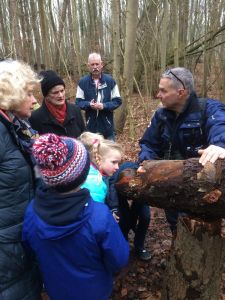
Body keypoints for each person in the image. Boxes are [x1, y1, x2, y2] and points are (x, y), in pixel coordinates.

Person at [23, 133, 129, 300]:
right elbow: (119, 259)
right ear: (83, 172)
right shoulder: (99, 216)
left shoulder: (32, 211)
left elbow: (29, 248)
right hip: (94, 291)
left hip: (56, 289)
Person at [138, 67, 225, 232]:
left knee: (202, 231)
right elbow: (148, 143)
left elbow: (220, 126)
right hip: (170, 186)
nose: (158, 95)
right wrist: (146, 162)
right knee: (176, 226)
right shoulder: (161, 115)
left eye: (163, 91)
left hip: (203, 193)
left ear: (181, 92)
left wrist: (220, 145)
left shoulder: (209, 109)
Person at [0, 59, 41, 299]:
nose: (35, 100)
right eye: (29, 93)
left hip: (21, 239)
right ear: (11, 95)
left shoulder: (18, 127)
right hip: (6, 252)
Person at [110, 162, 152, 261]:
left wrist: (133, 222)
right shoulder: (115, 181)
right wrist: (114, 208)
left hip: (139, 194)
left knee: (145, 217)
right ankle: (123, 245)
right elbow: (112, 193)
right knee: (123, 220)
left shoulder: (142, 178)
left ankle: (139, 246)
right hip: (120, 195)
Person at [76, 52, 122, 140]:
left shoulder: (110, 81)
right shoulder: (82, 82)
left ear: (101, 65)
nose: (95, 67)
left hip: (108, 130)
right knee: (93, 154)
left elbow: (117, 101)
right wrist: (89, 104)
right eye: (92, 64)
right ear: (88, 66)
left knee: (110, 153)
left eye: (97, 64)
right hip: (91, 130)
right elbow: (78, 102)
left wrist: (104, 106)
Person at [79, 131, 122, 221]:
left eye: (118, 163)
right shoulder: (96, 183)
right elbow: (95, 216)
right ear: (98, 158)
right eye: (114, 162)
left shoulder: (85, 170)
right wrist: (108, 217)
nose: (117, 167)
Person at [29, 70, 85, 137]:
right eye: (55, 92)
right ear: (46, 96)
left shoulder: (75, 110)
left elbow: (84, 137)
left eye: (62, 91)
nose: (61, 95)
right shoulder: (35, 118)